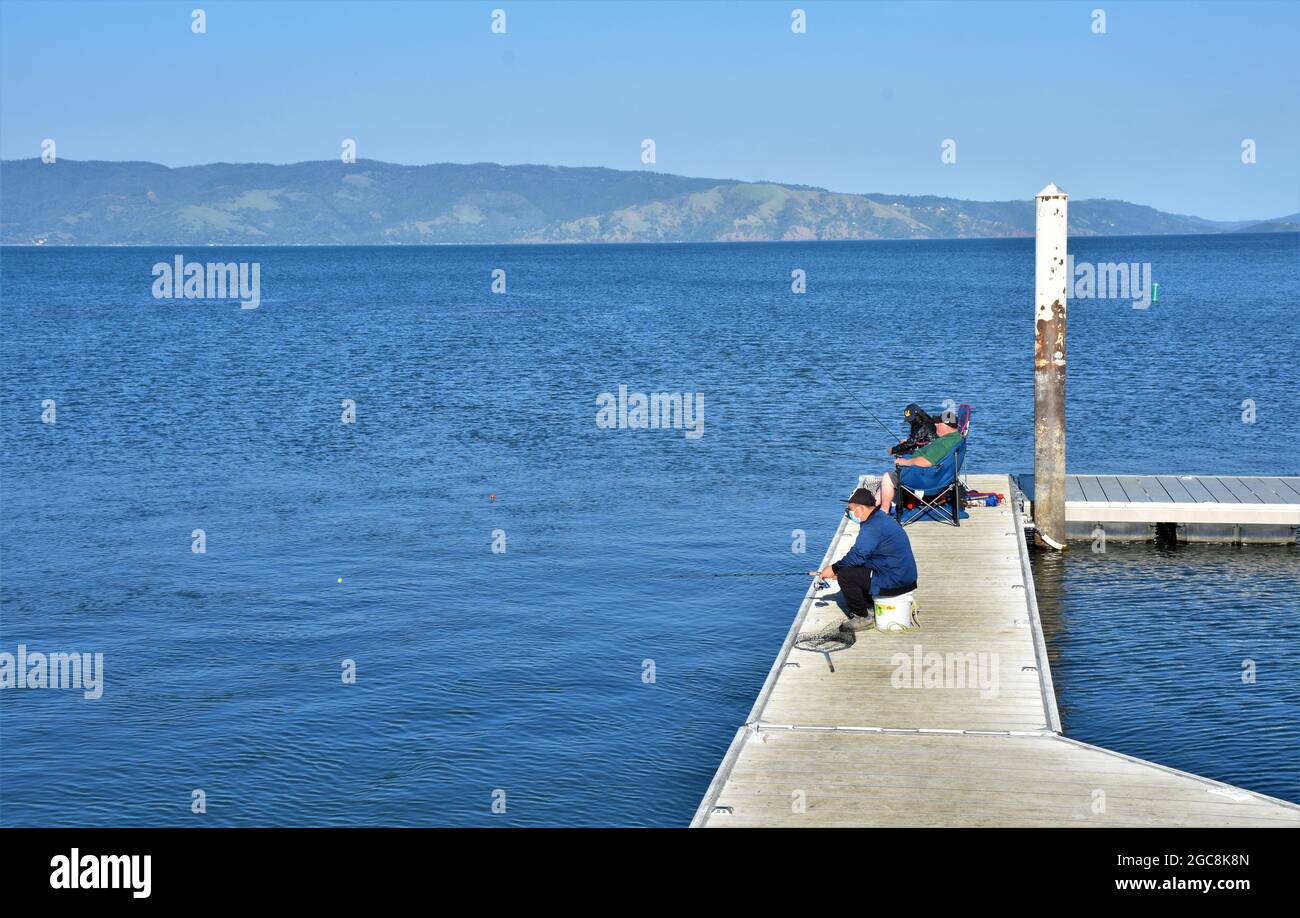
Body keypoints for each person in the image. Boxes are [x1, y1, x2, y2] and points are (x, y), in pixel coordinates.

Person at [810, 487, 918, 631]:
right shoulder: (880, 518)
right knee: (850, 569)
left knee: (845, 575)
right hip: (904, 578)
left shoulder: (872, 527)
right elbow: (866, 556)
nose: (848, 512)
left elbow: (857, 555)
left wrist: (835, 569)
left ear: (860, 509)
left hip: (895, 581)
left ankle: (863, 617)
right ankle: (869, 604)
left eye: (850, 509)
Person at [878, 413, 962, 514]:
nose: (935, 425)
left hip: (928, 482)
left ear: (946, 425)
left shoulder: (943, 444)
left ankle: (883, 513)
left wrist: (905, 462)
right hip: (941, 479)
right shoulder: (956, 438)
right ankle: (873, 506)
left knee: (888, 477)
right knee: (892, 476)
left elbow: (926, 462)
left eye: (939, 423)